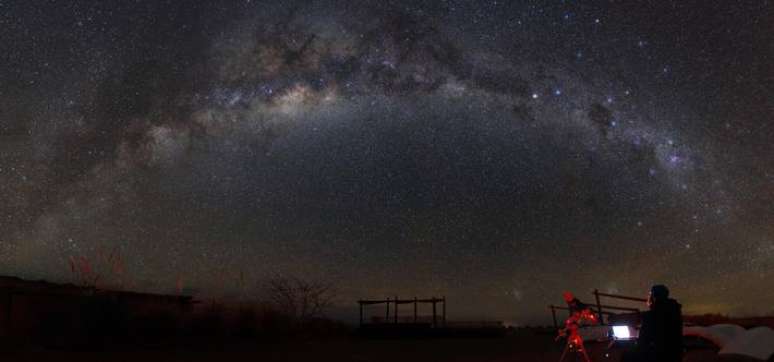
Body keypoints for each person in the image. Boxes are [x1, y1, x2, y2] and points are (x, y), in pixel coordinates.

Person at [622, 285, 683, 362]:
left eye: (650, 294)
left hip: (658, 356)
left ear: (654, 297)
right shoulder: (675, 312)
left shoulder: (651, 316)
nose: (648, 297)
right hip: (674, 355)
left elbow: (643, 342)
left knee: (628, 355)